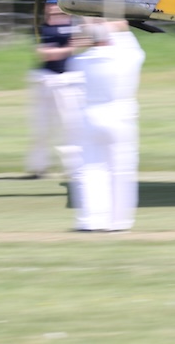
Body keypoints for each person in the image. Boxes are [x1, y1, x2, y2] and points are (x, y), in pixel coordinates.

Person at [70, 19, 146, 232]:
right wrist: (119, 28)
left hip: (90, 114)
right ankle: (119, 221)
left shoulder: (81, 60)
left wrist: (94, 28)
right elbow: (137, 51)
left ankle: (91, 219)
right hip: (120, 113)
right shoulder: (125, 57)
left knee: (91, 168)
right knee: (121, 170)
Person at [24, 0, 83, 180]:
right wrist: (67, 49)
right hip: (46, 79)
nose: (52, 6)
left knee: (70, 126)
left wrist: (61, 50)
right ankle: (38, 167)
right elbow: (44, 54)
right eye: (49, 3)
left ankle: (73, 168)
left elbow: (81, 42)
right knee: (41, 127)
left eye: (55, 3)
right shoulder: (41, 27)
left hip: (66, 80)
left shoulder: (72, 24)